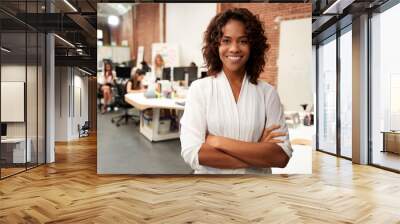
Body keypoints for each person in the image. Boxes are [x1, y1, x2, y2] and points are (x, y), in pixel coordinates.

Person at [180, 8, 292, 174]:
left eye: (243, 41)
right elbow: (193, 153)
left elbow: (281, 156)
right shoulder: (200, 89)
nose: (234, 48)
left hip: (256, 192)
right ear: (216, 45)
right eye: (226, 40)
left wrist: (216, 141)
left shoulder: (267, 93)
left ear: (253, 46)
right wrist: (258, 151)